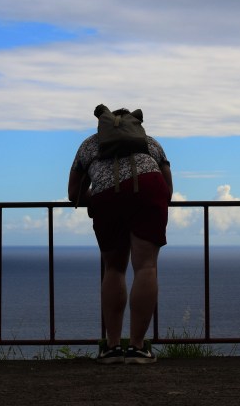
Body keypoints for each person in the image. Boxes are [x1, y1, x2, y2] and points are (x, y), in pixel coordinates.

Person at [69, 107, 172, 365]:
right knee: (146, 266)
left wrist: (102, 196)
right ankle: (138, 348)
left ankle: (113, 348)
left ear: (102, 127)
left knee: (114, 268)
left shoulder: (88, 146)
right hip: (149, 188)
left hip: (106, 195)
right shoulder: (150, 143)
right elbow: (168, 188)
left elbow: (74, 194)